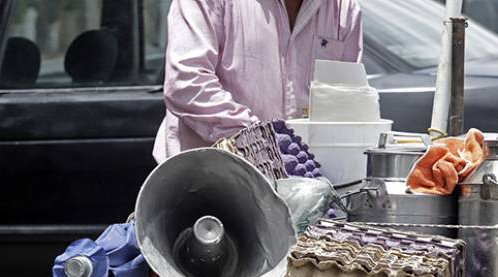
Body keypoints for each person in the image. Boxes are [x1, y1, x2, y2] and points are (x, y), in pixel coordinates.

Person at [153, 0, 363, 163]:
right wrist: (260, 142)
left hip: (303, 187)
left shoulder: (343, 10)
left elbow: (347, 102)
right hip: (208, 183)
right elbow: (186, 84)